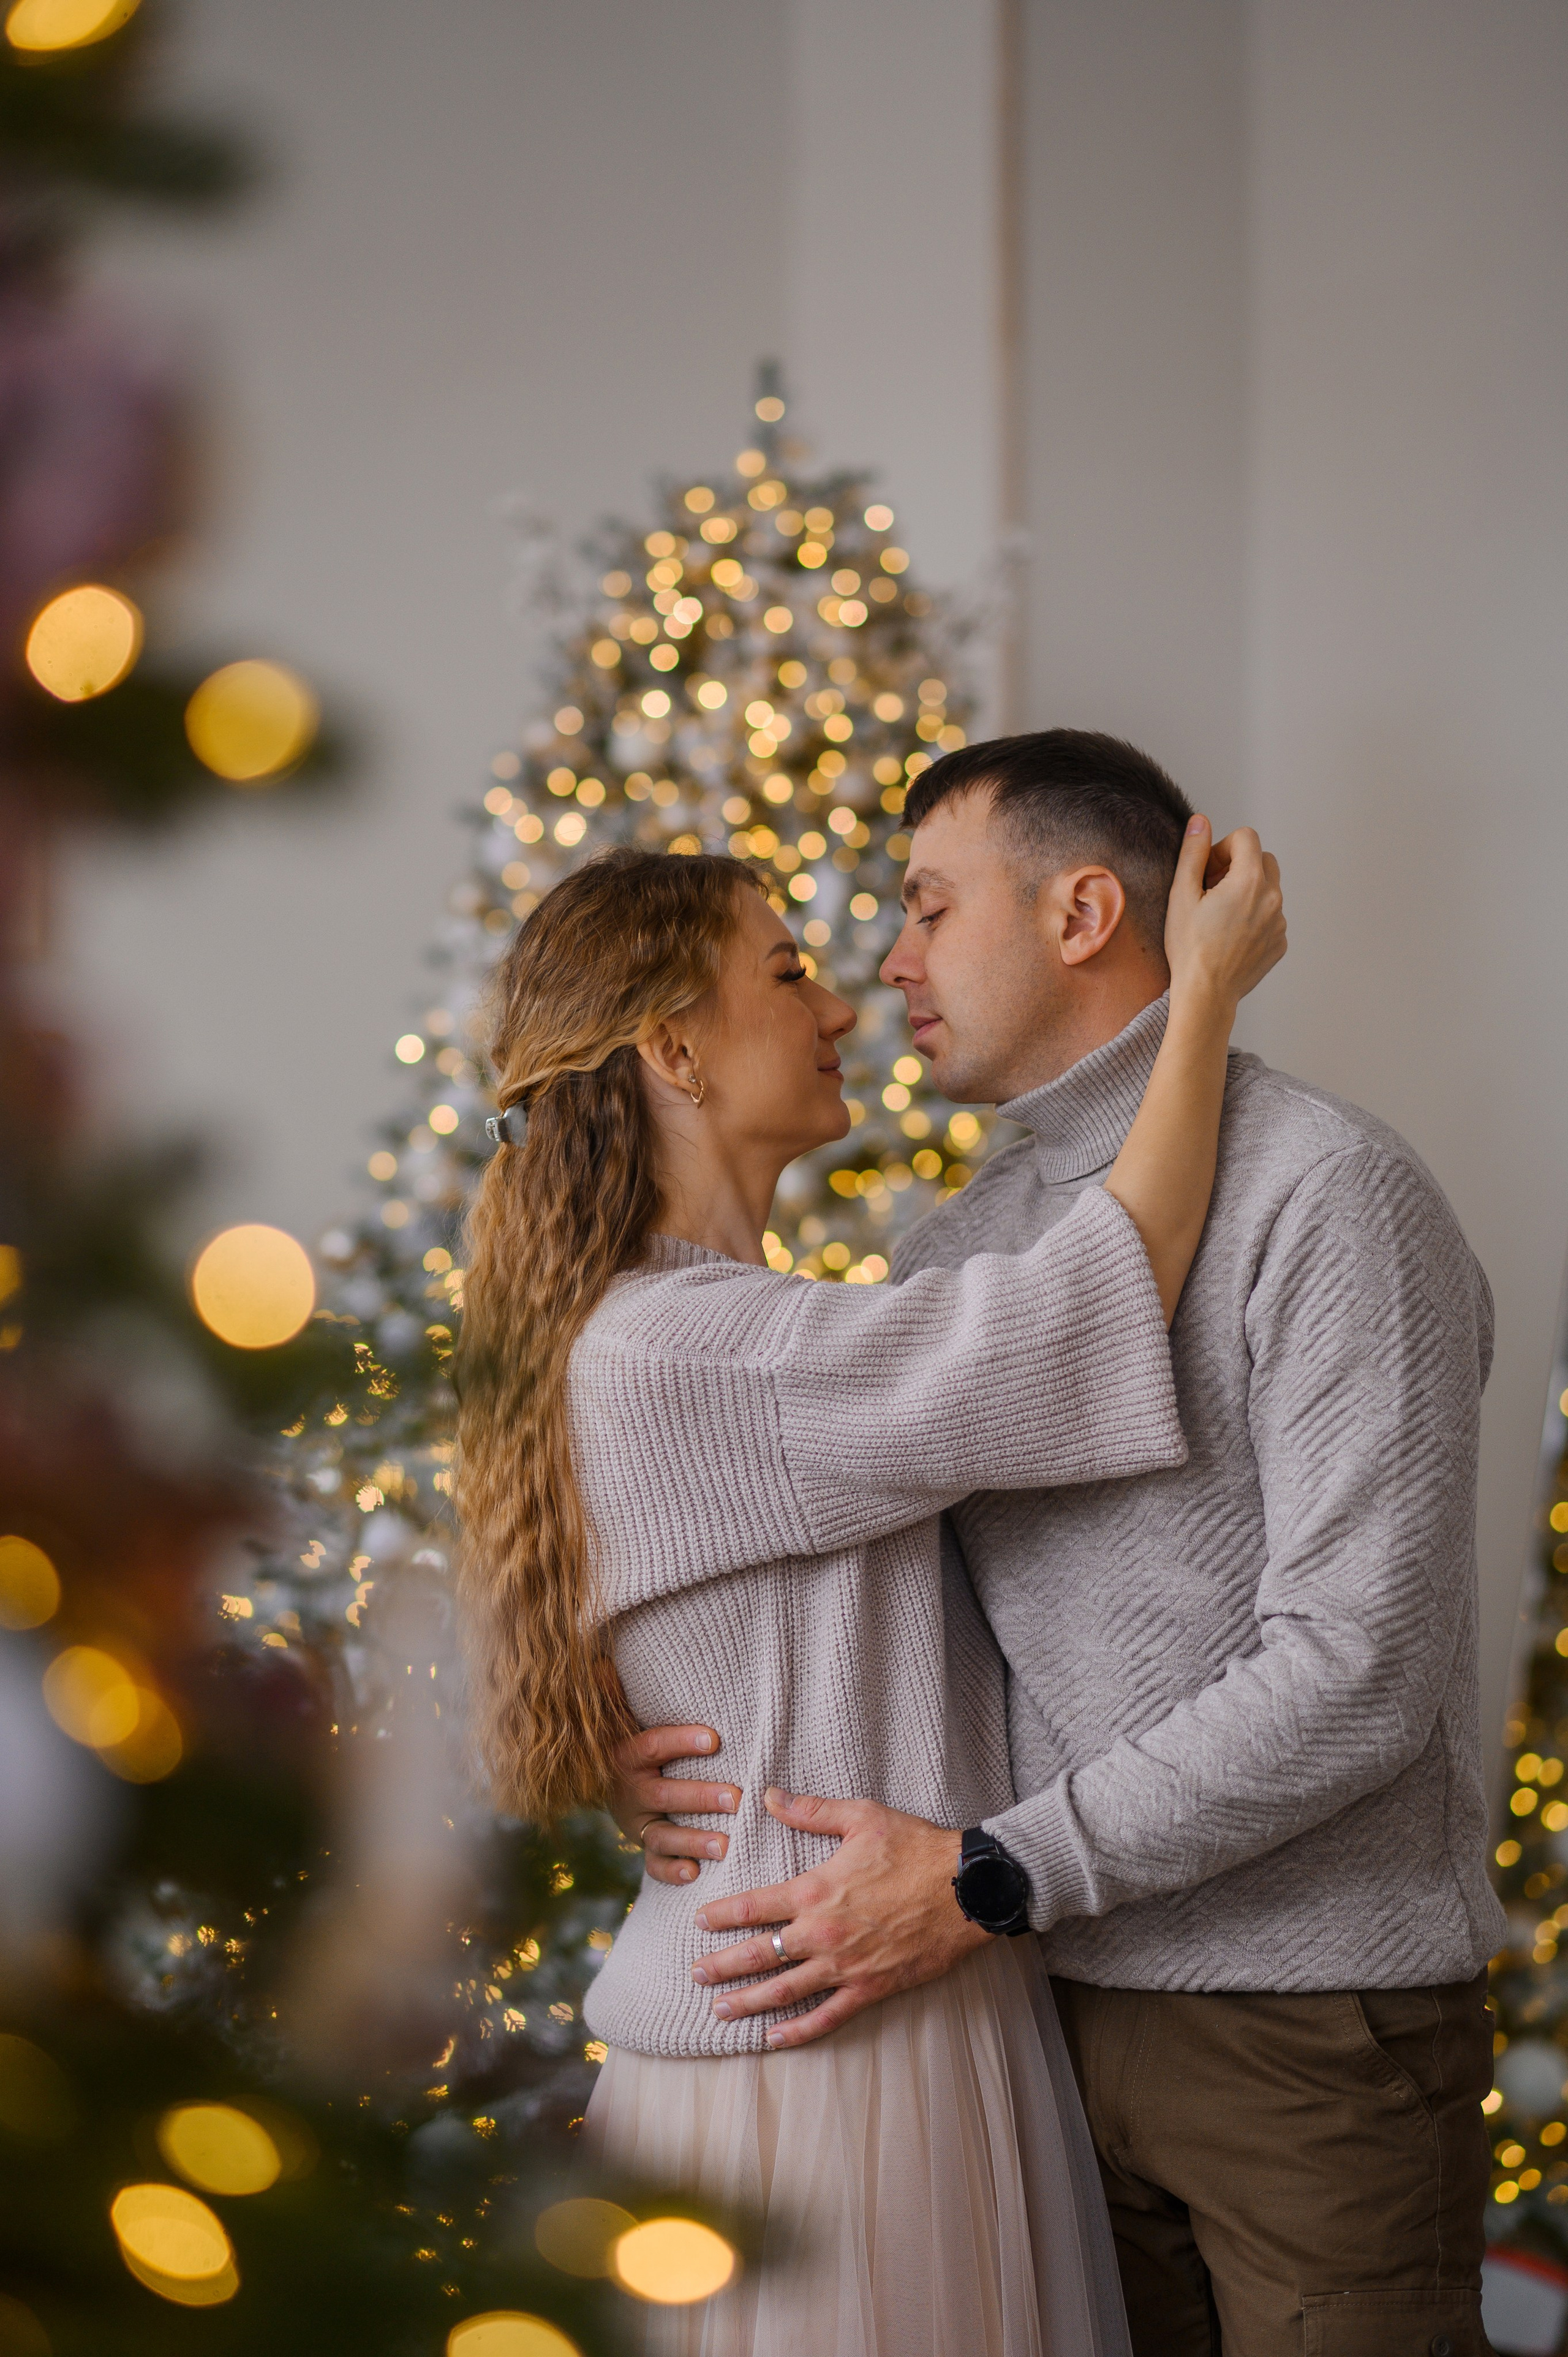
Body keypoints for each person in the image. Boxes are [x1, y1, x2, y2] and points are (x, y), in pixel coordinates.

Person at [624, 732, 1503, 2357]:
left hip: (1300, 2026)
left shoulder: (1329, 1195)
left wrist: (998, 1873)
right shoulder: (955, 1248)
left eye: (926, 906)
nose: (888, 966)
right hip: (1034, 2015)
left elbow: (1358, 1670)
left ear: (1083, 912)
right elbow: (893, 1619)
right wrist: (643, 1741)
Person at [456, 820, 1284, 2357]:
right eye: (785, 973)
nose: (839, 1003)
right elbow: (1079, 1315)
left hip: (840, 2005)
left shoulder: (687, 1327)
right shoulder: (692, 1346)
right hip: (829, 2049)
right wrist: (1205, 996)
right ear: (674, 1052)